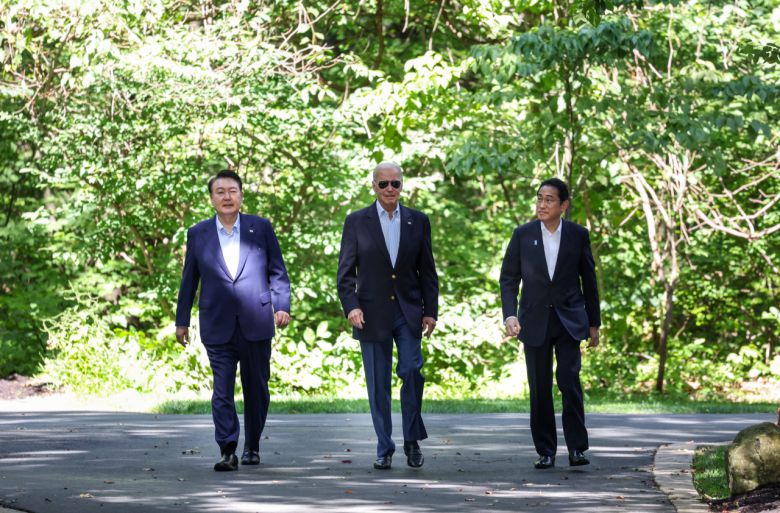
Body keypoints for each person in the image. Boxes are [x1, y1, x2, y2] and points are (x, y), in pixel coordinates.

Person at [175, 170, 291, 472]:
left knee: (257, 388)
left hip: (256, 321)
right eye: (220, 192)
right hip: (217, 323)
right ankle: (228, 449)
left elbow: (277, 271)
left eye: (232, 191)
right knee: (222, 390)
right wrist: (182, 320)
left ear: (241, 195)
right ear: (212, 198)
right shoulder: (198, 233)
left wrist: (282, 305)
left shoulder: (260, 228)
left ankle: (252, 445)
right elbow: (189, 280)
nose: (227, 197)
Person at [337, 162, 439, 470]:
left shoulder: (418, 221)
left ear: (402, 186)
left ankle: (412, 439)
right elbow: (345, 273)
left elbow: (428, 270)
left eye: (395, 183)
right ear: (374, 186)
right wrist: (351, 306)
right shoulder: (357, 221)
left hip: (408, 311)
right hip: (370, 313)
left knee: (412, 370)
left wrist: (430, 311)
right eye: (383, 184)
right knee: (378, 383)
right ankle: (385, 447)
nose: (390, 189)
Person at [499, 177, 600, 469]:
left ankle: (577, 448)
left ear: (564, 205)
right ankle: (546, 451)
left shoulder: (578, 235)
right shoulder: (522, 234)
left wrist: (594, 323)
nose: (542, 205)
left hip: (570, 321)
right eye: (539, 198)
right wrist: (510, 315)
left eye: (549, 199)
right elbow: (508, 279)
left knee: (569, 381)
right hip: (533, 321)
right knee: (539, 387)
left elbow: (589, 280)